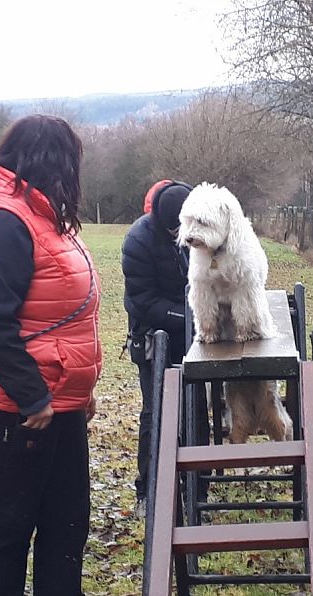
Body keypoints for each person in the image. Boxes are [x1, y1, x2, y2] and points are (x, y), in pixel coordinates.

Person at [0, 115, 102, 596]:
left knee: (66, 521)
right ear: (50, 162)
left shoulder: (40, 215)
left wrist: (79, 389)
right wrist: (32, 398)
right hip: (7, 406)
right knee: (10, 528)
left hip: (57, 402)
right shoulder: (2, 221)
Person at [121, 179, 192, 516]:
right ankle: (147, 491)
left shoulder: (201, 225)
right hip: (153, 336)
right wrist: (189, 316)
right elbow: (143, 301)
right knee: (156, 411)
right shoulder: (138, 241)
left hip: (194, 333)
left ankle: (194, 478)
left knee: (193, 407)